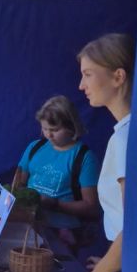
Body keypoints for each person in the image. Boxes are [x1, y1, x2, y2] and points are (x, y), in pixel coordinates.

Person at [66, 33, 135, 272]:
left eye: (88, 74)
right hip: (128, 263)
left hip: (136, 271)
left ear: (118, 77)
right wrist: (109, 263)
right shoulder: (130, 131)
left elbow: (136, 224)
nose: (81, 85)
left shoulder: (127, 138)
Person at [13, 95, 101, 250]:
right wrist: (23, 197)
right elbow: (18, 182)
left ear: (72, 126)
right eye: (45, 128)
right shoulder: (35, 147)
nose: (49, 135)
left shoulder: (85, 158)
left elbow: (91, 207)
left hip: (64, 232)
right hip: (29, 226)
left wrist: (56, 205)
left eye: (54, 130)